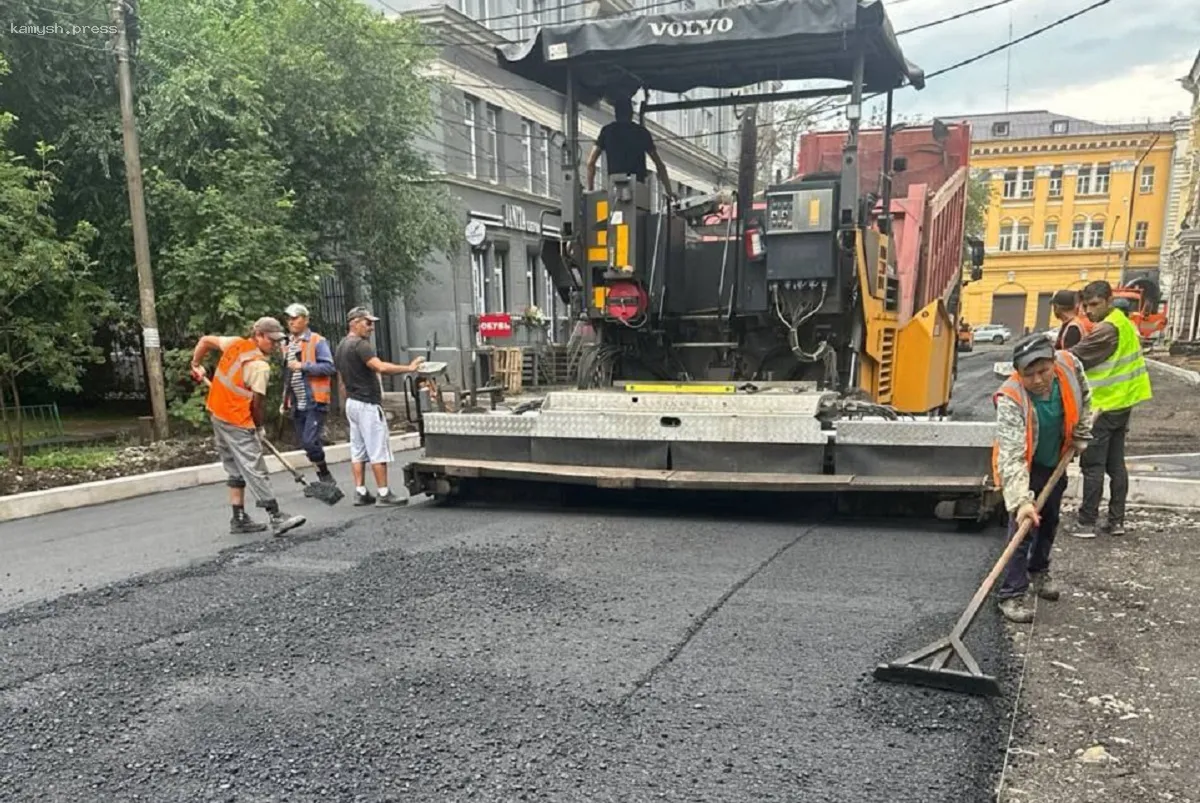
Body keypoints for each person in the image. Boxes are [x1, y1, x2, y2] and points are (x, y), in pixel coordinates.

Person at [992, 333, 1093, 623]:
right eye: (1028, 374)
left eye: (1043, 371)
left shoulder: (1070, 366)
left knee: (1049, 520)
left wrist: (1082, 431)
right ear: (1017, 372)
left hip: (1056, 459)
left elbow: (1085, 396)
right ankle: (1011, 593)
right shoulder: (1010, 398)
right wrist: (1022, 501)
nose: (1037, 380)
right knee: (1023, 526)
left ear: (1053, 362)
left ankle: (1038, 571)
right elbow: (1012, 456)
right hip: (1026, 464)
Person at [189, 317, 306, 536]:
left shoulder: (234, 343)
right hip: (236, 420)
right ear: (259, 335)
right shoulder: (259, 367)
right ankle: (276, 516)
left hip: (217, 413)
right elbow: (257, 404)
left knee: (233, 465)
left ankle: (239, 518)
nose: (275, 345)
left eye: (278, 340)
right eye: (271, 340)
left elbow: (205, 341)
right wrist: (258, 427)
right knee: (254, 467)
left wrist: (196, 364)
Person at [1069, 280, 1153, 538]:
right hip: (1122, 404)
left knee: (1093, 465)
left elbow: (1076, 356)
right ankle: (1117, 521)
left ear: (1108, 300)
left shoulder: (1107, 330)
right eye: (1086, 306)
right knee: (1116, 465)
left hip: (1103, 408)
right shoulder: (1124, 324)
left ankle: (1086, 522)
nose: (1090, 311)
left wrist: (1053, 356)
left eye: (1094, 305)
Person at [333, 306, 425, 507]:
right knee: (377, 448)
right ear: (354, 322)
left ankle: (360, 491)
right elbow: (380, 367)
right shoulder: (360, 345)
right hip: (367, 404)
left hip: (352, 402)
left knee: (357, 448)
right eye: (367, 323)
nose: (371, 327)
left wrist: (345, 400)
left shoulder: (341, 346)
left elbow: (340, 377)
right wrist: (409, 368)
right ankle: (384, 492)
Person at [281, 303, 337, 485]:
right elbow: (288, 375)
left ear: (306, 320)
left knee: (309, 442)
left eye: (295, 318)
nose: (291, 322)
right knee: (307, 443)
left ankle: (325, 476)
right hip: (298, 402)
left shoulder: (317, 341)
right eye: (289, 319)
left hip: (315, 400)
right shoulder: (287, 344)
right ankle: (324, 479)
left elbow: (329, 367)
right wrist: (285, 399)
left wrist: (303, 365)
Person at [585, 95, 675, 199]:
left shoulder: (607, 131)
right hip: (639, 188)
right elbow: (659, 165)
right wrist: (669, 192)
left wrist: (590, 190)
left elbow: (590, 163)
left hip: (615, 189)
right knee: (639, 213)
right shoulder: (642, 133)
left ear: (616, 113)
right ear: (631, 114)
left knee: (613, 213)